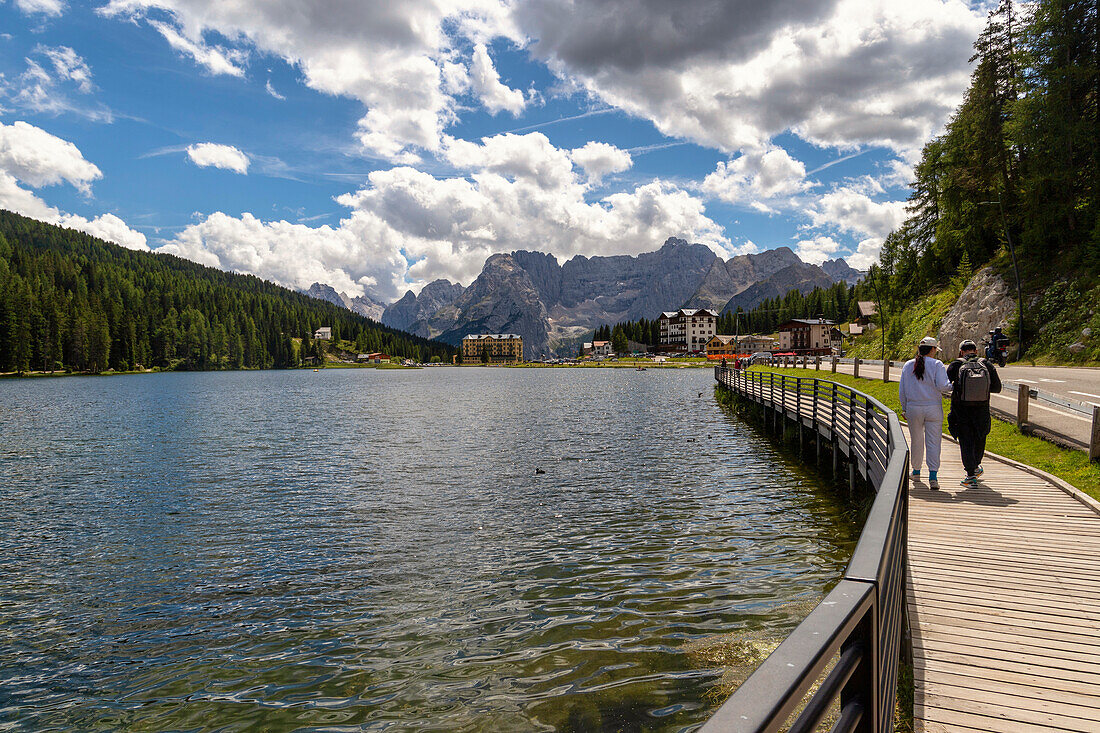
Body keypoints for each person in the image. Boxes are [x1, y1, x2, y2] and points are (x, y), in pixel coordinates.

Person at [946, 339, 1002, 487]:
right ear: (976, 351)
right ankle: (976, 466)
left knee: (966, 442)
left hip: (961, 410)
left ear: (961, 351)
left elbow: (945, 385)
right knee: (980, 438)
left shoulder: (956, 364)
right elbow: (997, 388)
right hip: (982, 409)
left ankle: (970, 475)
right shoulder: (987, 364)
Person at [899, 336, 952, 489]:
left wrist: (905, 408)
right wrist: (953, 386)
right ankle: (933, 476)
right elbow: (943, 386)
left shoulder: (908, 365)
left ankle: (916, 472)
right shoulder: (937, 364)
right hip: (933, 407)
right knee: (934, 442)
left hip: (913, 408)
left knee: (916, 440)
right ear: (933, 349)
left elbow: (902, 390)